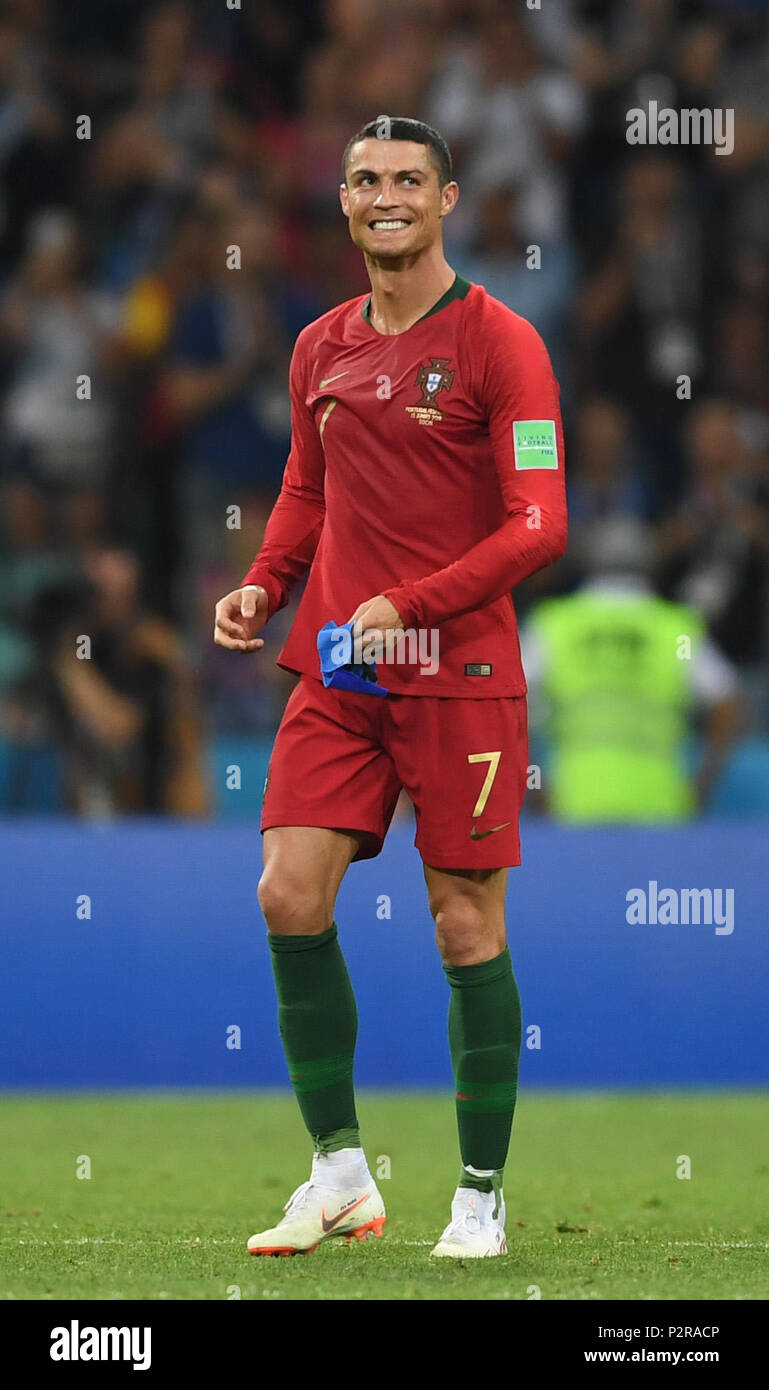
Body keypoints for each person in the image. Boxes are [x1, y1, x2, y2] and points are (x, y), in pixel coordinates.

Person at [213, 116, 567, 1259]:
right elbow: (304, 488)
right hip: (344, 666)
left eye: (409, 178)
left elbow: (540, 523)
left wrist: (410, 606)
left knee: (463, 924)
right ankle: (339, 1174)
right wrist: (266, 583)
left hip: (456, 671)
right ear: (347, 204)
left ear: (448, 199)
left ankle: (478, 1196)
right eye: (365, 180)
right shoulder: (318, 345)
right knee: (285, 891)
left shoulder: (501, 344)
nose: (385, 195)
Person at [521, 516, 740, 821]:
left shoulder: (555, 624)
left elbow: (507, 703)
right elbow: (727, 705)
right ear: (649, 564)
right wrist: (699, 788)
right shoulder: (675, 628)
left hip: (575, 803)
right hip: (661, 805)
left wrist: (536, 786)